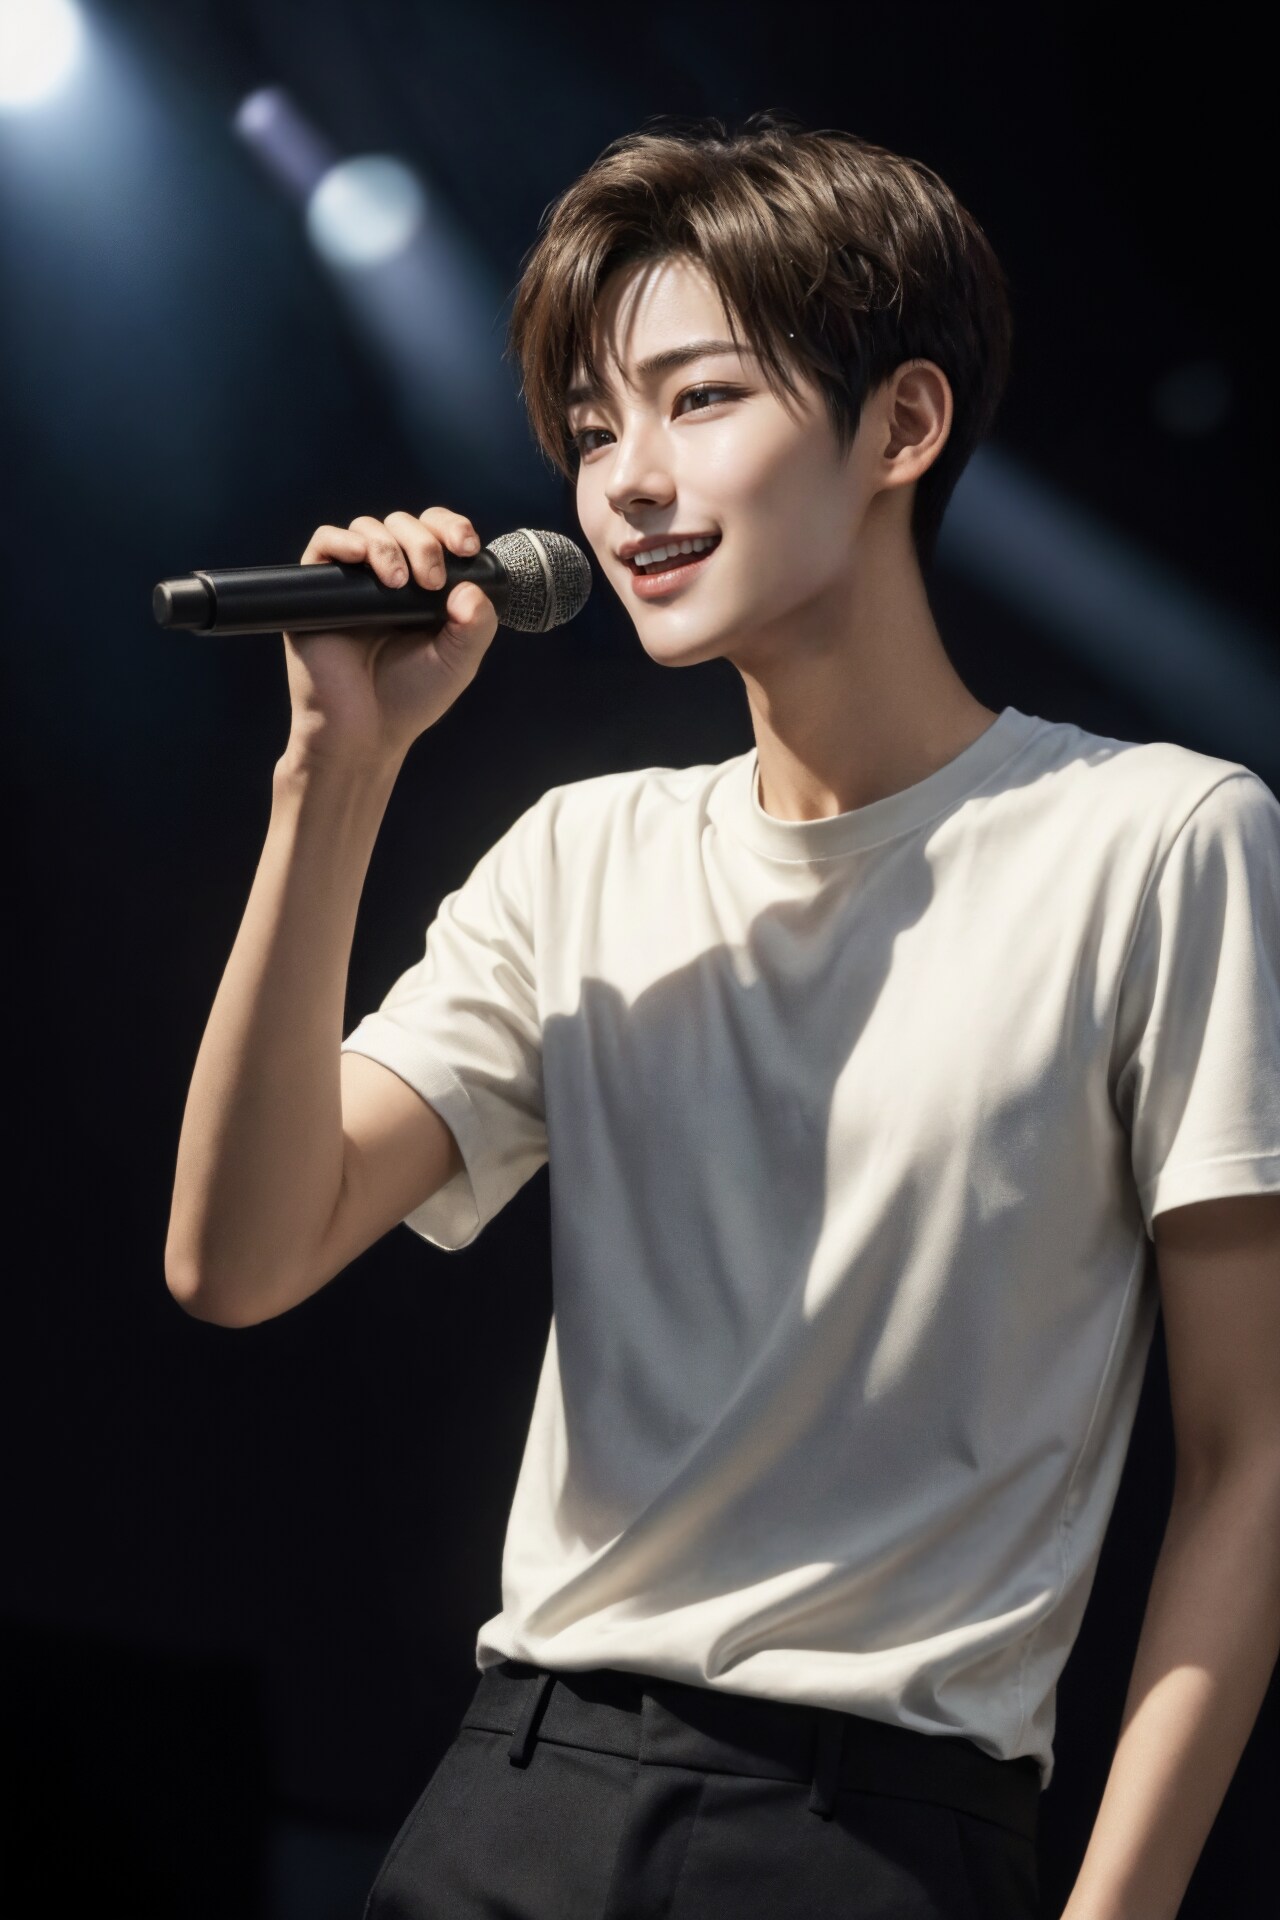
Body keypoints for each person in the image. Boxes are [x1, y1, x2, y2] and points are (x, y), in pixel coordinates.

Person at [165, 112, 1280, 1920]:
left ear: (901, 426)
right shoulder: (582, 855)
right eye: (593, 428)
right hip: (514, 1802)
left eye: (699, 399)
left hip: (875, 1830)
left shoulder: (1155, 841)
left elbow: (1254, 1458)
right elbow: (240, 1255)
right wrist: (334, 773)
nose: (627, 483)